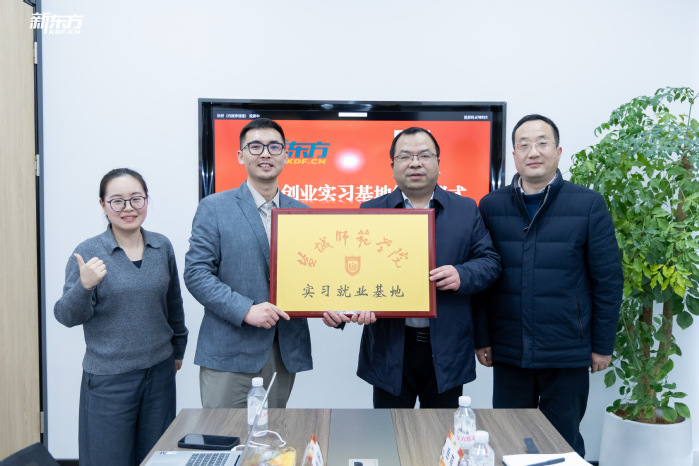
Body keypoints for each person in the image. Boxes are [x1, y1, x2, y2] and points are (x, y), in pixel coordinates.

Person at [474, 114, 623, 457]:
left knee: (562, 443)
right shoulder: (491, 206)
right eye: (524, 144)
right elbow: (483, 278)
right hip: (509, 350)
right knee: (510, 440)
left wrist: (602, 345)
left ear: (558, 151)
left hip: (566, 350)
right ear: (514, 155)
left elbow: (607, 280)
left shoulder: (588, 204)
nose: (533, 152)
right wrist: (482, 337)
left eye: (542, 143)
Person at [324, 127, 501, 408]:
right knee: (389, 429)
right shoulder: (371, 210)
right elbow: (352, 271)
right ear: (393, 166)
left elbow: (490, 261)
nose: (415, 163)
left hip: (447, 345)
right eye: (405, 156)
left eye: (424, 155)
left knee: (442, 431)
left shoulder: (466, 209)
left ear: (438, 163)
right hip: (390, 346)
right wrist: (344, 310)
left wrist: (462, 274)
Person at [54, 168, 188, 466]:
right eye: (117, 201)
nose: (128, 208)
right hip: (110, 379)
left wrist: (178, 350)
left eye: (136, 199)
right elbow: (66, 315)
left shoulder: (161, 246)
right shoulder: (88, 252)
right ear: (103, 205)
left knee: (157, 458)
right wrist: (84, 286)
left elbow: (173, 304)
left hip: (160, 373)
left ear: (146, 200)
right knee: (108, 460)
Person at [184, 118, 312, 409]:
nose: (265, 153)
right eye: (255, 147)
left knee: (273, 433)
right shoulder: (214, 207)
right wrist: (245, 310)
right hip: (229, 350)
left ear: (286, 154)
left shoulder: (303, 213)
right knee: (223, 432)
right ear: (241, 156)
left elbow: (313, 275)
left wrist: (334, 306)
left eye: (274, 147)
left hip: (282, 351)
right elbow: (197, 274)